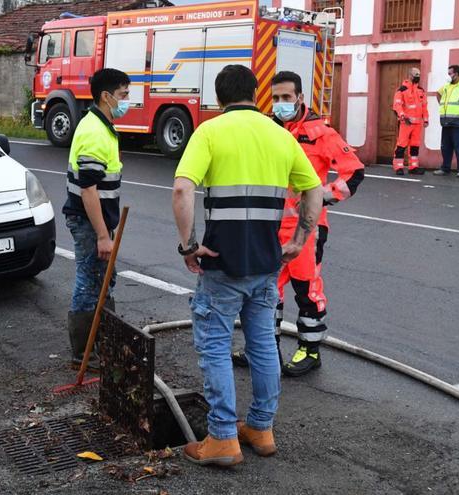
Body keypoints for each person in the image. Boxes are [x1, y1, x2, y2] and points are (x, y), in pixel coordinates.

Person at [172, 65, 323, 467]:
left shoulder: (209, 132)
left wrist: (188, 246)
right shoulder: (279, 135)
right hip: (265, 264)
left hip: (222, 264)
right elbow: (314, 190)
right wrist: (298, 240)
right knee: (263, 346)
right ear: (256, 94)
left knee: (216, 347)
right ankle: (260, 427)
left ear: (219, 98)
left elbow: (182, 189)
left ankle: (222, 438)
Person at [231, 71, 364, 378]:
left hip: (307, 228)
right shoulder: (266, 129)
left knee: (307, 290)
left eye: (286, 98)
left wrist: (321, 198)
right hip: (270, 226)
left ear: (300, 98)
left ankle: (310, 350)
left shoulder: (321, 133)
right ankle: (264, 350)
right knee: (267, 291)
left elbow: (354, 172)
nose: (280, 104)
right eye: (275, 98)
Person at [63, 68, 130, 366]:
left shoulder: (102, 125)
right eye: (123, 95)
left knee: (103, 278)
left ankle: (103, 340)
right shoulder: (93, 131)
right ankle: (84, 352)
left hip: (98, 221)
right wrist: (103, 235)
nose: (127, 101)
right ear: (106, 96)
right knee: (90, 281)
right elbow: (88, 189)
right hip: (89, 222)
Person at [392, 67, 428, 175]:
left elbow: (424, 106)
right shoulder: (402, 90)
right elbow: (397, 105)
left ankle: (413, 167)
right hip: (406, 123)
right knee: (401, 145)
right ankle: (398, 167)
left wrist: (426, 119)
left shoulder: (421, 90)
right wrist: (403, 116)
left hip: (418, 124)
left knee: (415, 146)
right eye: (416, 75)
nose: (417, 77)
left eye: (419, 75)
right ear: (410, 76)